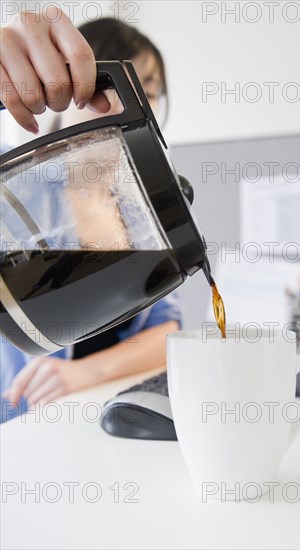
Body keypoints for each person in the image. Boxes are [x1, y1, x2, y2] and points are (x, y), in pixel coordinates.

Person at [0, 10, 181, 422]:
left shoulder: (141, 207)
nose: (122, 105)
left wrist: (83, 372)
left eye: (146, 91)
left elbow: (168, 329)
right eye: (103, 87)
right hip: (21, 429)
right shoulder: (16, 192)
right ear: (58, 93)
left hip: (100, 414)